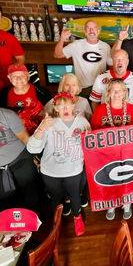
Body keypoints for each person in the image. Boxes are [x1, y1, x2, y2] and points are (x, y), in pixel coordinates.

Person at [27, 93, 90, 236]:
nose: (65, 108)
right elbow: (32, 148)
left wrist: (88, 139)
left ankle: (77, 217)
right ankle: (57, 222)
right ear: (55, 108)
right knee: (56, 197)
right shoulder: (49, 123)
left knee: (75, 195)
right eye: (61, 106)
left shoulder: (82, 121)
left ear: (74, 105)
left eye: (68, 104)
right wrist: (41, 129)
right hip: (51, 170)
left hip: (74, 168)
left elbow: (90, 144)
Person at [90, 79, 133, 220]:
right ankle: (111, 204)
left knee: (127, 178)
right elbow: (93, 132)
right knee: (109, 179)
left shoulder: (132, 109)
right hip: (107, 155)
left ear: (124, 93)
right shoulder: (101, 110)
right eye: (113, 90)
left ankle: (127, 203)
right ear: (108, 93)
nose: (117, 93)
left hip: (127, 153)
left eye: (120, 90)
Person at [54, 20, 112, 97]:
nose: (91, 31)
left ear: (98, 31)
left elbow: (111, 66)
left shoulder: (106, 47)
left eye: (94, 28)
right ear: (85, 31)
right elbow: (57, 55)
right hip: (82, 88)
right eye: (88, 28)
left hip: (100, 88)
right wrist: (62, 39)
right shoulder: (76, 45)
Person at [4, 64, 44, 135]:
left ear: (28, 77)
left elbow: (49, 112)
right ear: (9, 78)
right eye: (14, 76)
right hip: (15, 134)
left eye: (22, 76)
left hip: (39, 133)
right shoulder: (3, 93)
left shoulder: (42, 92)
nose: (19, 79)